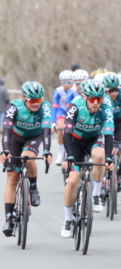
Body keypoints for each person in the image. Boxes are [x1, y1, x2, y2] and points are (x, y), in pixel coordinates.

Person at [61, 80, 114, 237]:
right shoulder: (75, 106)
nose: (96, 103)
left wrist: (109, 157)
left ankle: (96, 195)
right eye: (92, 99)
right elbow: (66, 134)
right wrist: (69, 155)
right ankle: (68, 220)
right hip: (75, 142)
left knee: (100, 156)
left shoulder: (106, 108)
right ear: (84, 97)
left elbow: (109, 135)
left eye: (99, 99)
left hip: (94, 139)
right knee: (72, 181)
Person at [1, 81, 53, 236]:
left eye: (39, 100)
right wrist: (5, 151)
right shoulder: (13, 107)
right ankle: (9, 219)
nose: (36, 104)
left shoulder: (44, 107)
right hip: (15, 138)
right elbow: (7, 131)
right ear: (23, 98)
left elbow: (46, 130)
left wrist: (48, 151)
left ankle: (33, 187)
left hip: (34, 137)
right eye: (32, 101)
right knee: (12, 179)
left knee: (28, 158)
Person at [102, 72, 121, 192]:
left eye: (116, 90)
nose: (114, 93)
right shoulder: (101, 96)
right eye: (111, 90)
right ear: (105, 89)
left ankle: (120, 173)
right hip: (104, 123)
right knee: (102, 150)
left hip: (119, 123)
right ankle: (103, 179)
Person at [52, 70, 74, 165]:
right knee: (61, 129)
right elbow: (54, 106)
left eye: (69, 82)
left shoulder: (75, 90)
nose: (66, 84)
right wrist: (53, 122)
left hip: (73, 111)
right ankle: (60, 154)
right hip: (62, 111)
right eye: (63, 82)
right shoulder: (58, 90)